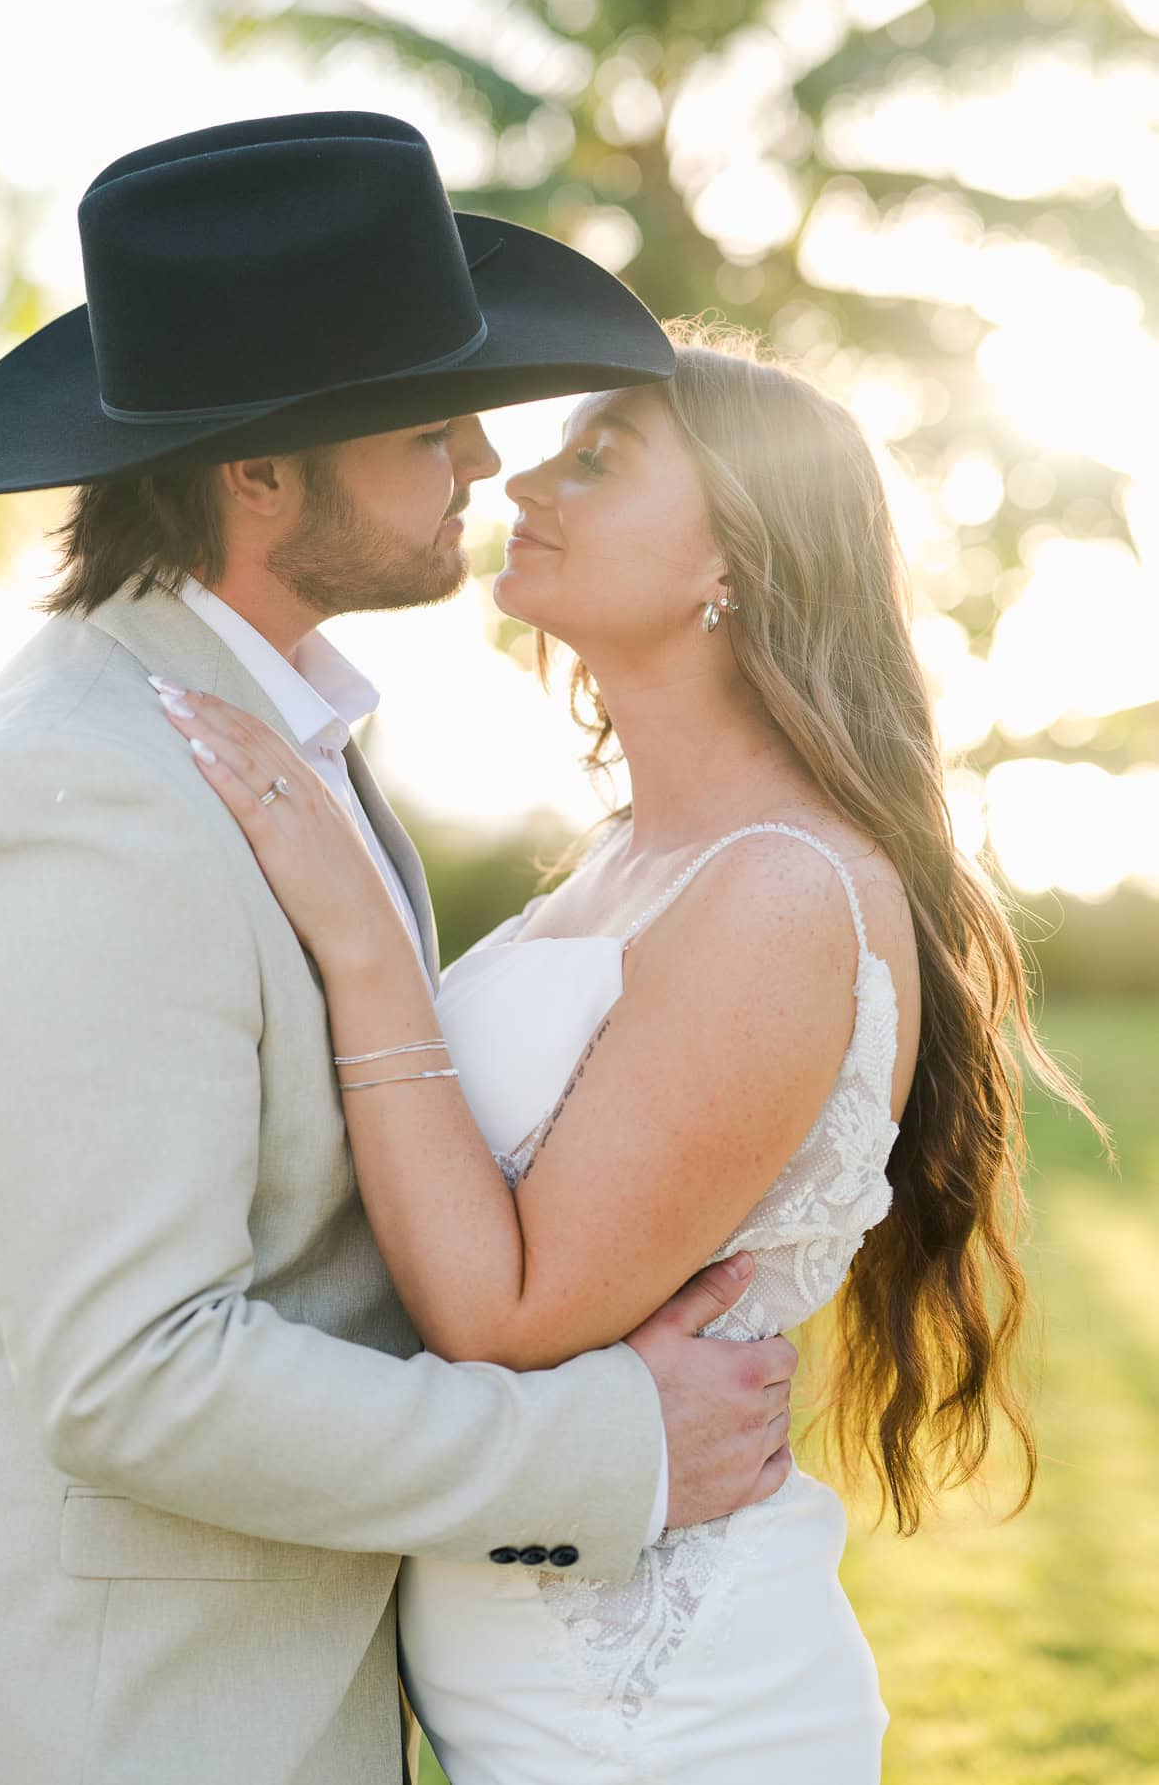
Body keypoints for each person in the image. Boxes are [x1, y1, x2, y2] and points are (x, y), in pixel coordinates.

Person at [0, 113, 799, 1785]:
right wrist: (608, 1445)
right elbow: (133, 1376)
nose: (487, 470)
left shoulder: (261, 731)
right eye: (431, 430)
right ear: (257, 470)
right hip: (105, 1719)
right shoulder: (94, 788)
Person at [164, 318, 1105, 1783]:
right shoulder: (629, 860)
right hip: (513, 1694)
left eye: (598, 458)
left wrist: (361, 940)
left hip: (671, 1725)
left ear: (733, 559)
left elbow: (511, 1304)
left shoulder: (782, 890)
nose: (522, 475)